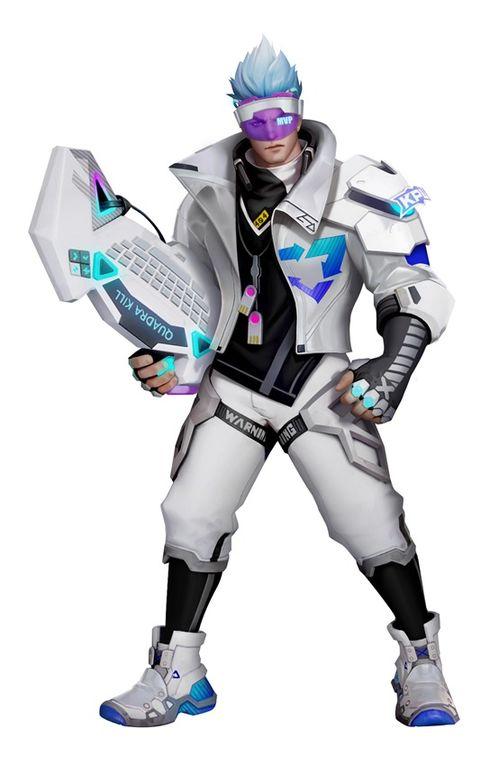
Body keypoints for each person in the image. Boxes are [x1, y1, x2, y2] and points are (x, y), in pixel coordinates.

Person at [100, 37, 458, 728]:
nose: (272, 131)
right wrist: (175, 361)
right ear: (238, 115)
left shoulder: (358, 188)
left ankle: (421, 656)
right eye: (256, 118)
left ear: (300, 108)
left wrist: (394, 364)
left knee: (368, 518)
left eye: (282, 114)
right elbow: (201, 298)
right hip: (234, 379)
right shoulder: (208, 192)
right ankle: (178, 667)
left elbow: (409, 281)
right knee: (190, 514)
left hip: (318, 380)